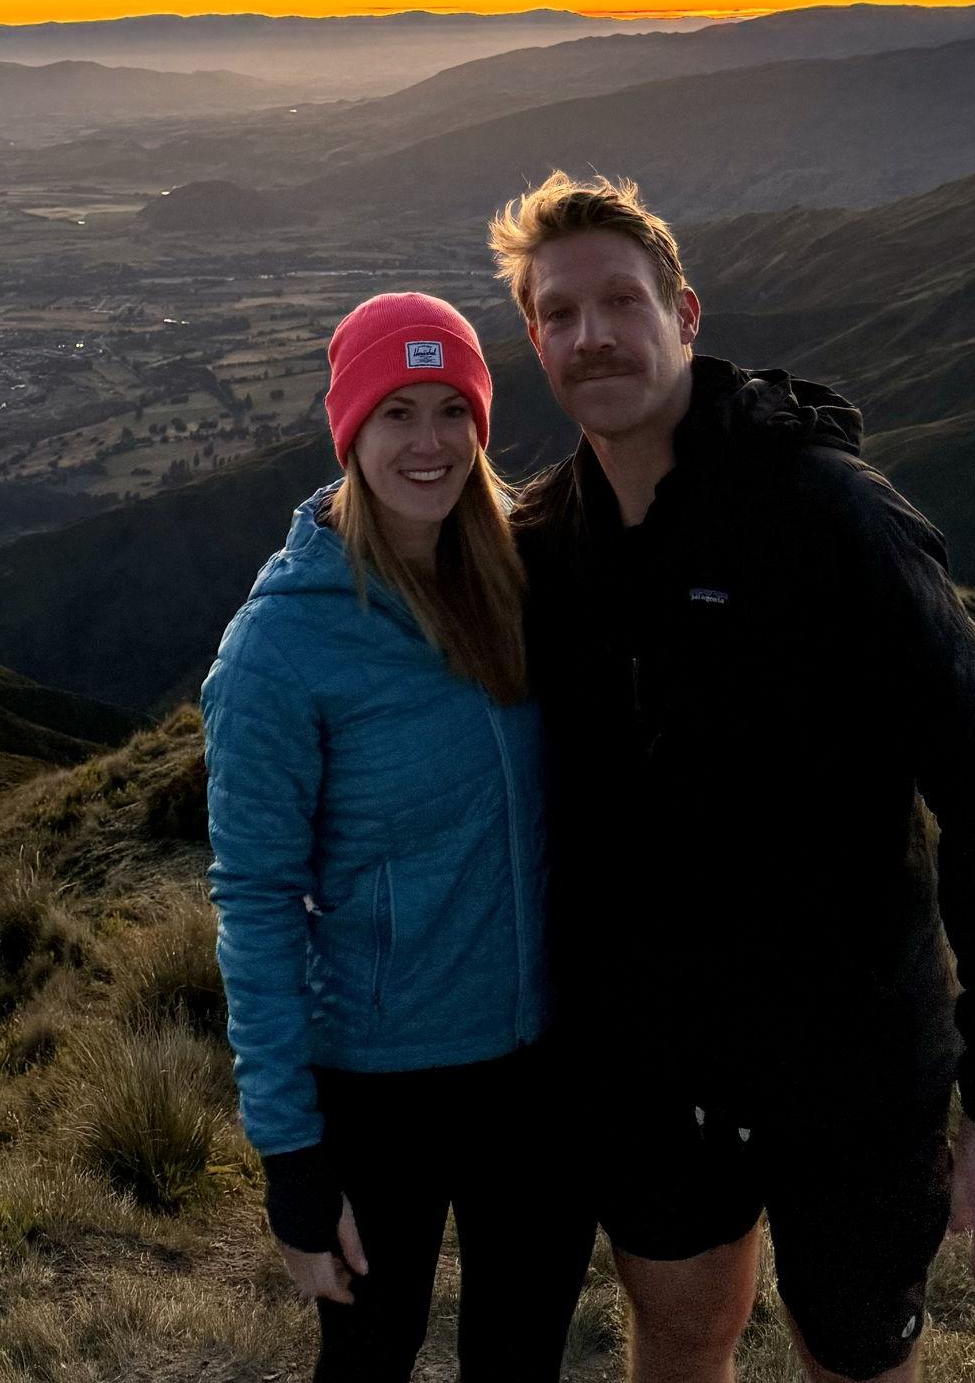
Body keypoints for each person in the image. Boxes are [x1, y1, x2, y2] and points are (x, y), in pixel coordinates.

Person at [487, 172, 975, 1383]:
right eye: (557, 312)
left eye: (619, 301)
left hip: (852, 1062)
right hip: (647, 1061)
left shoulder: (828, 515)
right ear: (532, 338)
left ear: (684, 314)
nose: (591, 334)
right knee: (682, 1329)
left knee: (851, 1355)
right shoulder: (544, 545)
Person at [201, 291, 595, 1383]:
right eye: (394, 413)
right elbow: (255, 902)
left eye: (449, 410)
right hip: (380, 1084)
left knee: (520, 1357)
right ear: (349, 431)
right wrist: (289, 1152)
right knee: (371, 1357)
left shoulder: (519, 575)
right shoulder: (279, 646)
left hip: (535, 1067)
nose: (428, 443)